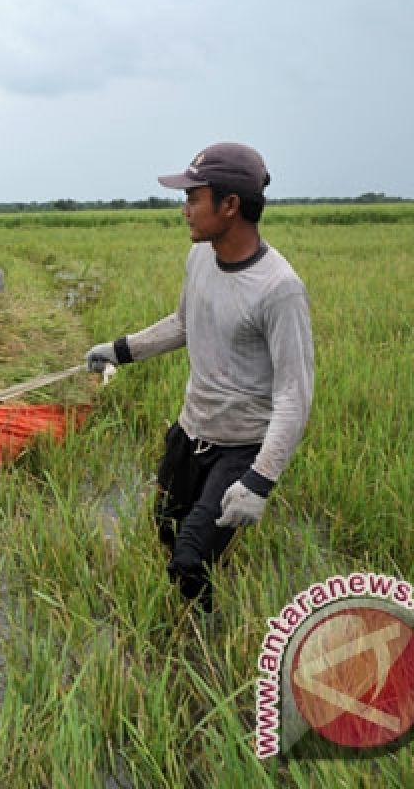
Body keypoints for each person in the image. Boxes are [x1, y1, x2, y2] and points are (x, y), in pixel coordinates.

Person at [84, 142, 314, 613]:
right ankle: (197, 607)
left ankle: (204, 642)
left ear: (230, 205)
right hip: (191, 432)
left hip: (240, 448)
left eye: (193, 197)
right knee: (166, 527)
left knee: (189, 557)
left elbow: (295, 394)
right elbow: (183, 323)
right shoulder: (201, 259)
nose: (184, 209)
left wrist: (259, 482)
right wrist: (119, 350)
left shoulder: (279, 288)